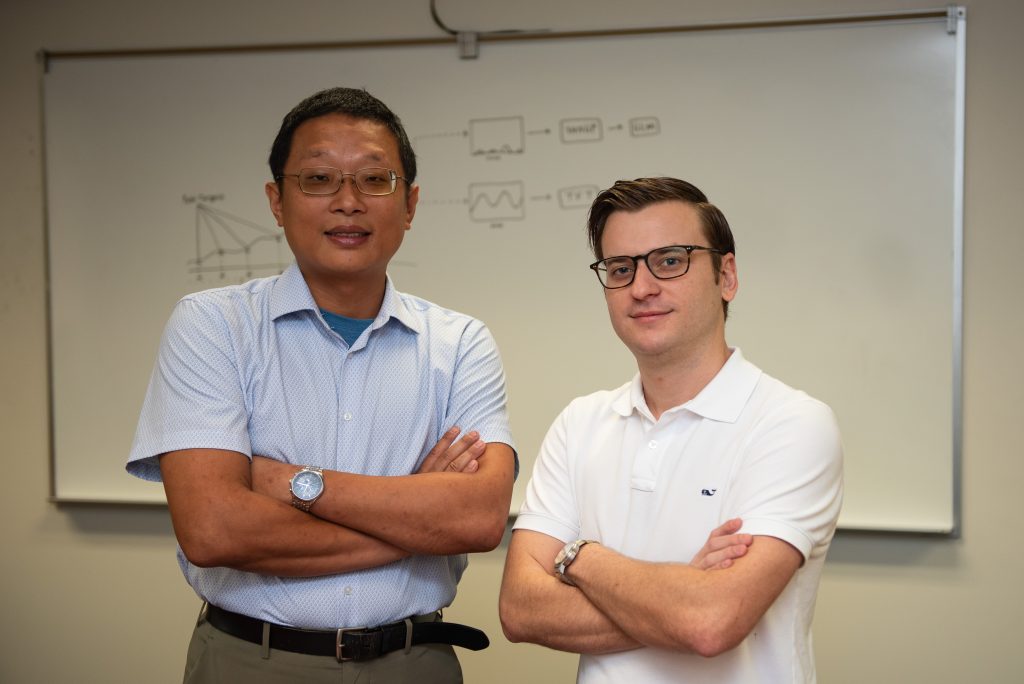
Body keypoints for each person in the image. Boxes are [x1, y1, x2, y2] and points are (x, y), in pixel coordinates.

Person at [127, 87, 517, 683]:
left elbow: (479, 520)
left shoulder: (460, 343)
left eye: (374, 180)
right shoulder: (213, 325)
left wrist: (288, 482)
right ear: (276, 202)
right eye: (318, 180)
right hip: (250, 662)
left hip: (413, 664)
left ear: (409, 204)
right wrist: (413, 517)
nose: (348, 202)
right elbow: (212, 529)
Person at [499, 177, 843, 683]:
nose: (641, 288)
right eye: (620, 268)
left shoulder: (791, 423)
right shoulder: (581, 423)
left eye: (669, 261)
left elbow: (710, 623)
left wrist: (579, 557)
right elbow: (519, 609)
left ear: (726, 276)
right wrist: (682, 591)